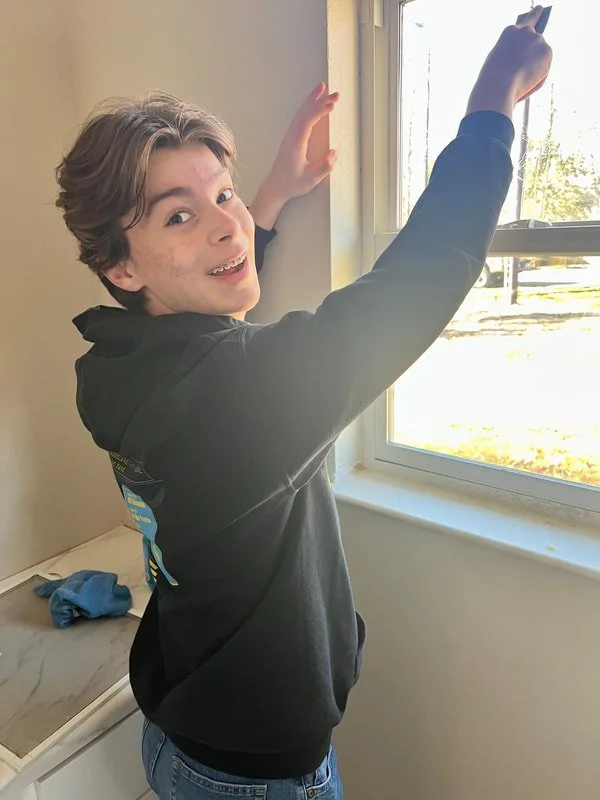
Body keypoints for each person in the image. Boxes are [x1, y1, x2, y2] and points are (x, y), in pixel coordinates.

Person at [56, 9, 552, 799]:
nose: (227, 227)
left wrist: (272, 196)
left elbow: (204, 326)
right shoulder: (233, 394)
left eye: (220, 195)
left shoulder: (119, 362)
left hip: (181, 726)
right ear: (120, 267)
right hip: (254, 775)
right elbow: (416, 283)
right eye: (179, 214)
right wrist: (492, 106)